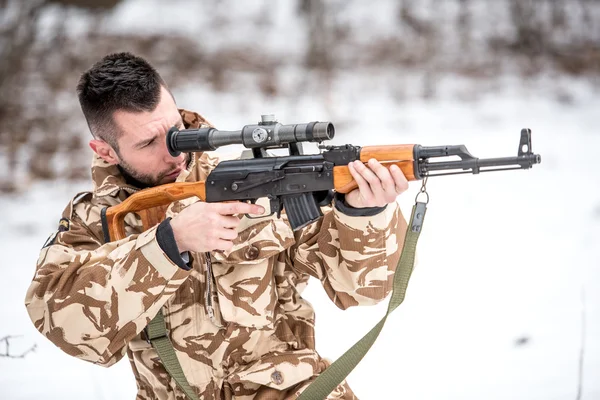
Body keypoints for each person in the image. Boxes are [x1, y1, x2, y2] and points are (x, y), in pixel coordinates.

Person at [24, 52, 409, 400]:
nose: (173, 150)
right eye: (148, 143)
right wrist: (167, 245)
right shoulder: (92, 220)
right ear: (105, 150)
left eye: (175, 129)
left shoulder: (256, 183)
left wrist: (364, 214)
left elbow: (362, 292)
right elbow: (70, 331)